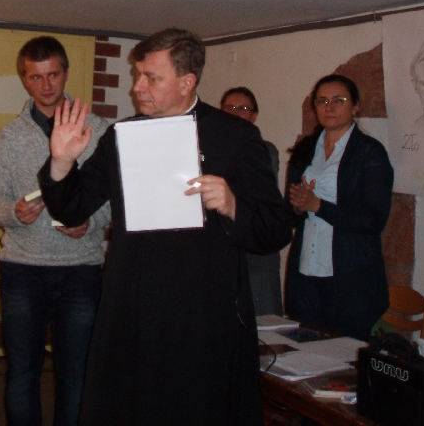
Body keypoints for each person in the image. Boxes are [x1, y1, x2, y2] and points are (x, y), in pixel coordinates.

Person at [38, 29, 292, 425]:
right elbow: (72, 209)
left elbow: (277, 229)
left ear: (187, 81)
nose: (137, 87)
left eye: (150, 77)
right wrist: (61, 162)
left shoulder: (236, 137)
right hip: (133, 304)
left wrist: (233, 205)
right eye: (137, 75)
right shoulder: (122, 135)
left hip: (203, 312)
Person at [0, 36, 110, 426]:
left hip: (82, 270)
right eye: (36, 77)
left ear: (66, 73)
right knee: (22, 374)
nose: (46, 84)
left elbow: (117, 198)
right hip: (23, 271)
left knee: (77, 376)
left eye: (53, 74)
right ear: (24, 79)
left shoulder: (97, 130)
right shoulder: (9, 136)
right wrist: (13, 212)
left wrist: (91, 222)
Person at [285, 74, 394, 342]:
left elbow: (373, 221)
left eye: (338, 100)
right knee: (307, 355)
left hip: (349, 279)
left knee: (343, 359)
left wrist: (318, 206)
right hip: (306, 274)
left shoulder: (370, 152)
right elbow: (291, 214)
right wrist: (298, 208)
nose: (329, 107)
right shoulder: (306, 149)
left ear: (355, 106)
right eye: (322, 101)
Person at [220, 86, 284, 316]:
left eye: (243, 108)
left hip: (256, 252)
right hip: (222, 253)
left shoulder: (265, 151)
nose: (236, 113)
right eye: (230, 108)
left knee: (263, 322)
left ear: (254, 116)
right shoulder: (209, 148)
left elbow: (251, 198)